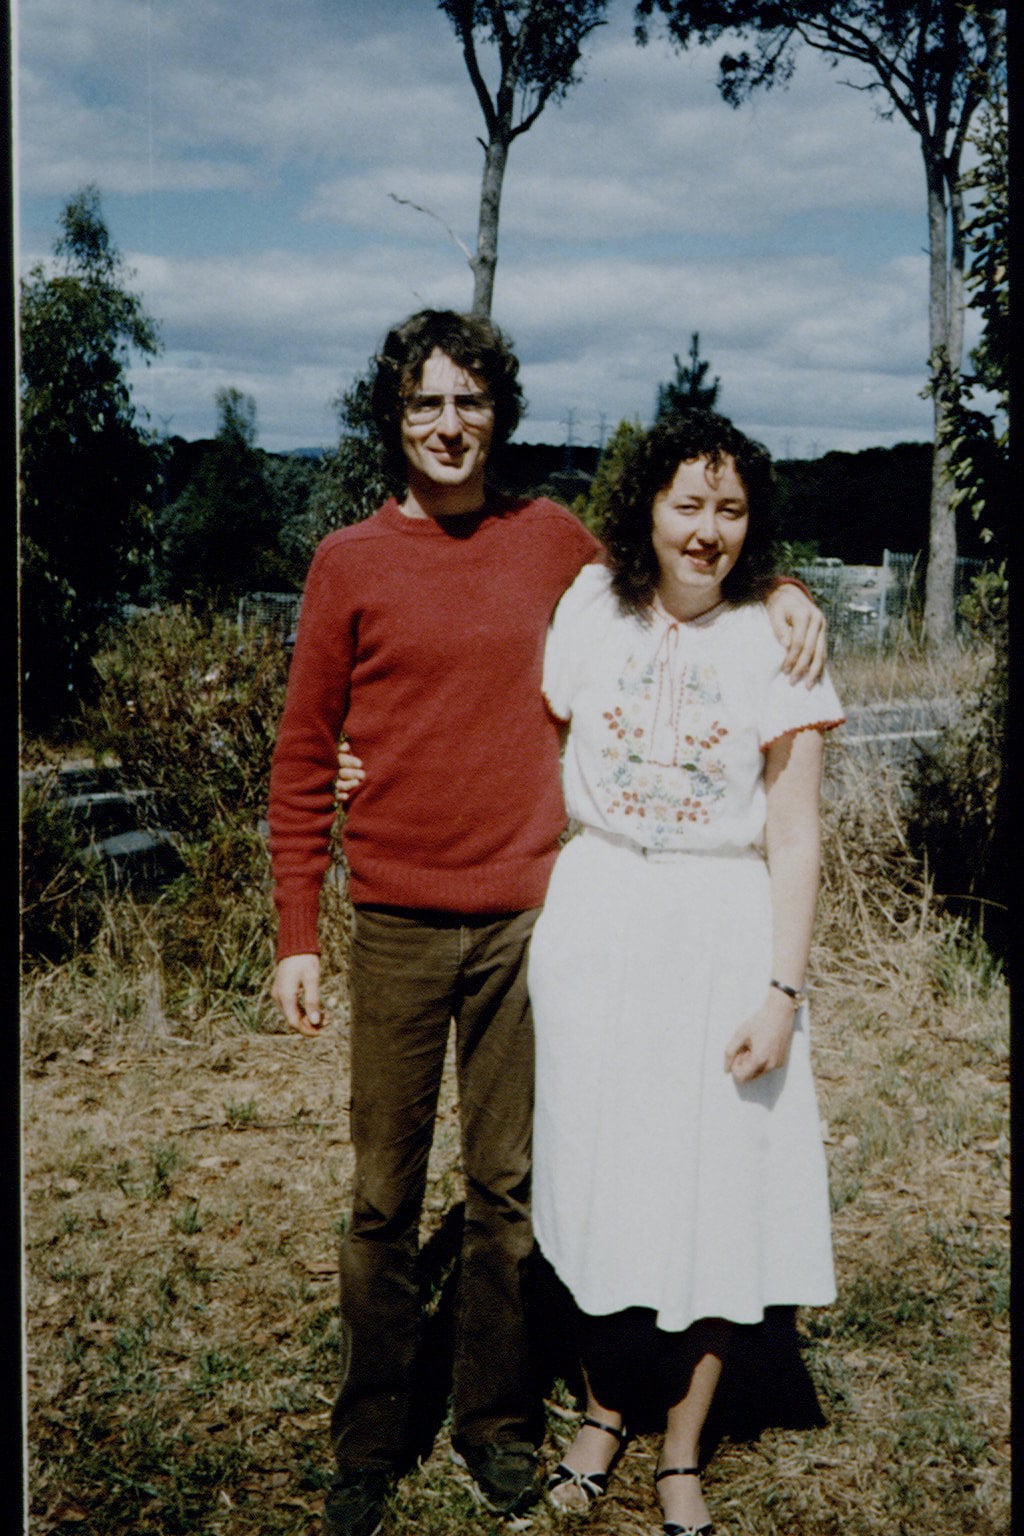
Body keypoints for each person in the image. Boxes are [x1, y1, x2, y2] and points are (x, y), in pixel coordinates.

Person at [267, 310, 827, 1536]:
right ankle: (367, 1445)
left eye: (469, 402)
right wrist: (298, 928)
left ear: (499, 416)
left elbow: (682, 561)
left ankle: (495, 1426)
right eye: (425, 405)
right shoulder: (347, 561)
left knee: (508, 1191)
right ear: (396, 420)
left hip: (531, 914)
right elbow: (307, 752)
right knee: (380, 1195)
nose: (449, 425)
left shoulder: (552, 545)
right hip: (401, 920)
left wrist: (784, 587)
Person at [527, 409, 844, 1536]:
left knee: (717, 1193)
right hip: (599, 919)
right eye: (685, 503)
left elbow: (796, 837)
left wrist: (781, 991)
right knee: (601, 1181)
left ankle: (679, 1451)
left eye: (729, 508)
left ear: (750, 525)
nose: (705, 530)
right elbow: (506, 718)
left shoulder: (781, 636)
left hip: (722, 930)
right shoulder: (588, 609)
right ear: (646, 509)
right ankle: (602, 1411)